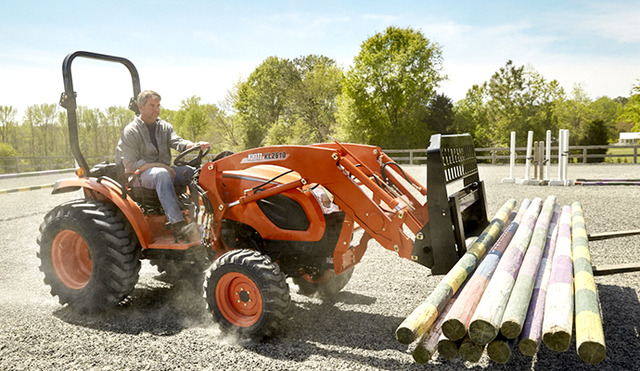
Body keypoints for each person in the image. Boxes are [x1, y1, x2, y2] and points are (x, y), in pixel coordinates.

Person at [115, 90, 209, 242]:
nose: (156, 109)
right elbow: (131, 164)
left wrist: (194, 145)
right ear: (141, 107)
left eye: (158, 105)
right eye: (152, 106)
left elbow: (177, 142)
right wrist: (160, 165)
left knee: (196, 172)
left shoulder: (164, 127)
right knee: (161, 174)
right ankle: (178, 225)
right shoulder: (131, 131)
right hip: (139, 176)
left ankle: (205, 217)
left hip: (165, 171)